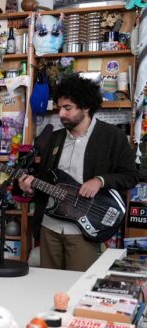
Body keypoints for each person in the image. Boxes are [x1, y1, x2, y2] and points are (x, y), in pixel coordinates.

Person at [18, 75, 137, 271]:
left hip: (83, 231)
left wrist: (100, 180)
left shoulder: (111, 136)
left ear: (86, 107)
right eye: (59, 108)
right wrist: (30, 188)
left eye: (68, 108)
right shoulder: (52, 139)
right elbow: (46, 182)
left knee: (78, 288)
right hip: (50, 227)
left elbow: (130, 176)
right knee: (46, 286)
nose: (61, 114)